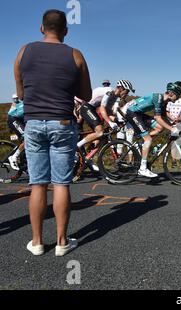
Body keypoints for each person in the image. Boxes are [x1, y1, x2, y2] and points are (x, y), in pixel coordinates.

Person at [14, 10, 92, 257]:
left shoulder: (24, 51)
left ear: (41, 28)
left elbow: (22, 93)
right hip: (62, 123)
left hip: (34, 123)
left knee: (37, 184)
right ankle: (61, 242)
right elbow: (86, 96)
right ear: (66, 30)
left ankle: (36, 242)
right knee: (61, 183)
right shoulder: (75, 54)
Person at [120, 82, 181, 178]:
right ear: (171, 93)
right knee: (148, 139)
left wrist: (173, 126)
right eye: (177, 95)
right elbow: (157, 118)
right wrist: (171, 129)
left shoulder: (164, 101)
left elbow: (163, 117)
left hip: (139, 114)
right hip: (132, 113)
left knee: (159, 128)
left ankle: (140, 143)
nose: (178, 98)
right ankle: (143, 169)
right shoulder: (159, 98)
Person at [77, 80, 134, 150]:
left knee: (102, 138)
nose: (127, 94)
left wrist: (117, 121)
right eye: (127, 92)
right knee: (100, 132)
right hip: (86, 107)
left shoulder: (115, 97)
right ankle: (77, 147)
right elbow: (102, 108)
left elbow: (108, 112)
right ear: (121, 88)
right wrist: (110, 122)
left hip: (92, 109)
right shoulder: (110, 92)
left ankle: (86, 157)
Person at [7, 94, 25, 170]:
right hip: (13, 119)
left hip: (20, 119)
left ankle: (24, 160)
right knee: (27, 138)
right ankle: (13, 157)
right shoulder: (18, 103)